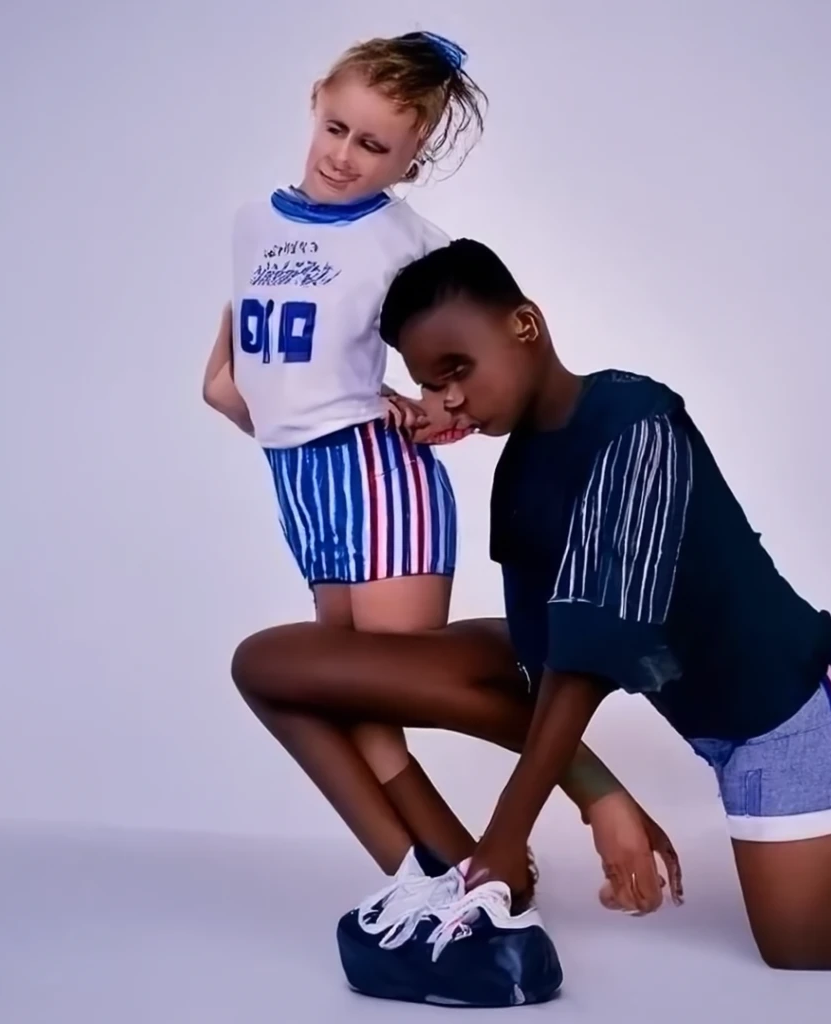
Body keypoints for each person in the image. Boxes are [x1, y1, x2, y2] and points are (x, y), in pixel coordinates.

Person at [232, 236, 831, 972]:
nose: (452, 397)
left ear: (525, 325)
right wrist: (593, 799)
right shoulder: (517, 479)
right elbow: (541, 668)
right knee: (305, 664)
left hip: (792, 710)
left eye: (459, 367)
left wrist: (516, 834)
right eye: (432, 383)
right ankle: (439, 870)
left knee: (808, 940)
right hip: (706, 712)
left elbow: (588, 660)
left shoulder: (637, 421)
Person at [204, 33, 678, 910]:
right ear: (316, 102)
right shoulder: (252, 222)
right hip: (299, 487)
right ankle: (453, 873)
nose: (345, 155)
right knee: (348, 695)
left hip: (375, 477)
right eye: (337, 128)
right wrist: (230, 397)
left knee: (390, 680)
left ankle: (584, 795)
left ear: (413, 155)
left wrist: (432, 411)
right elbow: (247, 374)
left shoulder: (407, 243)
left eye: (375, 145)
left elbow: (481, 357)